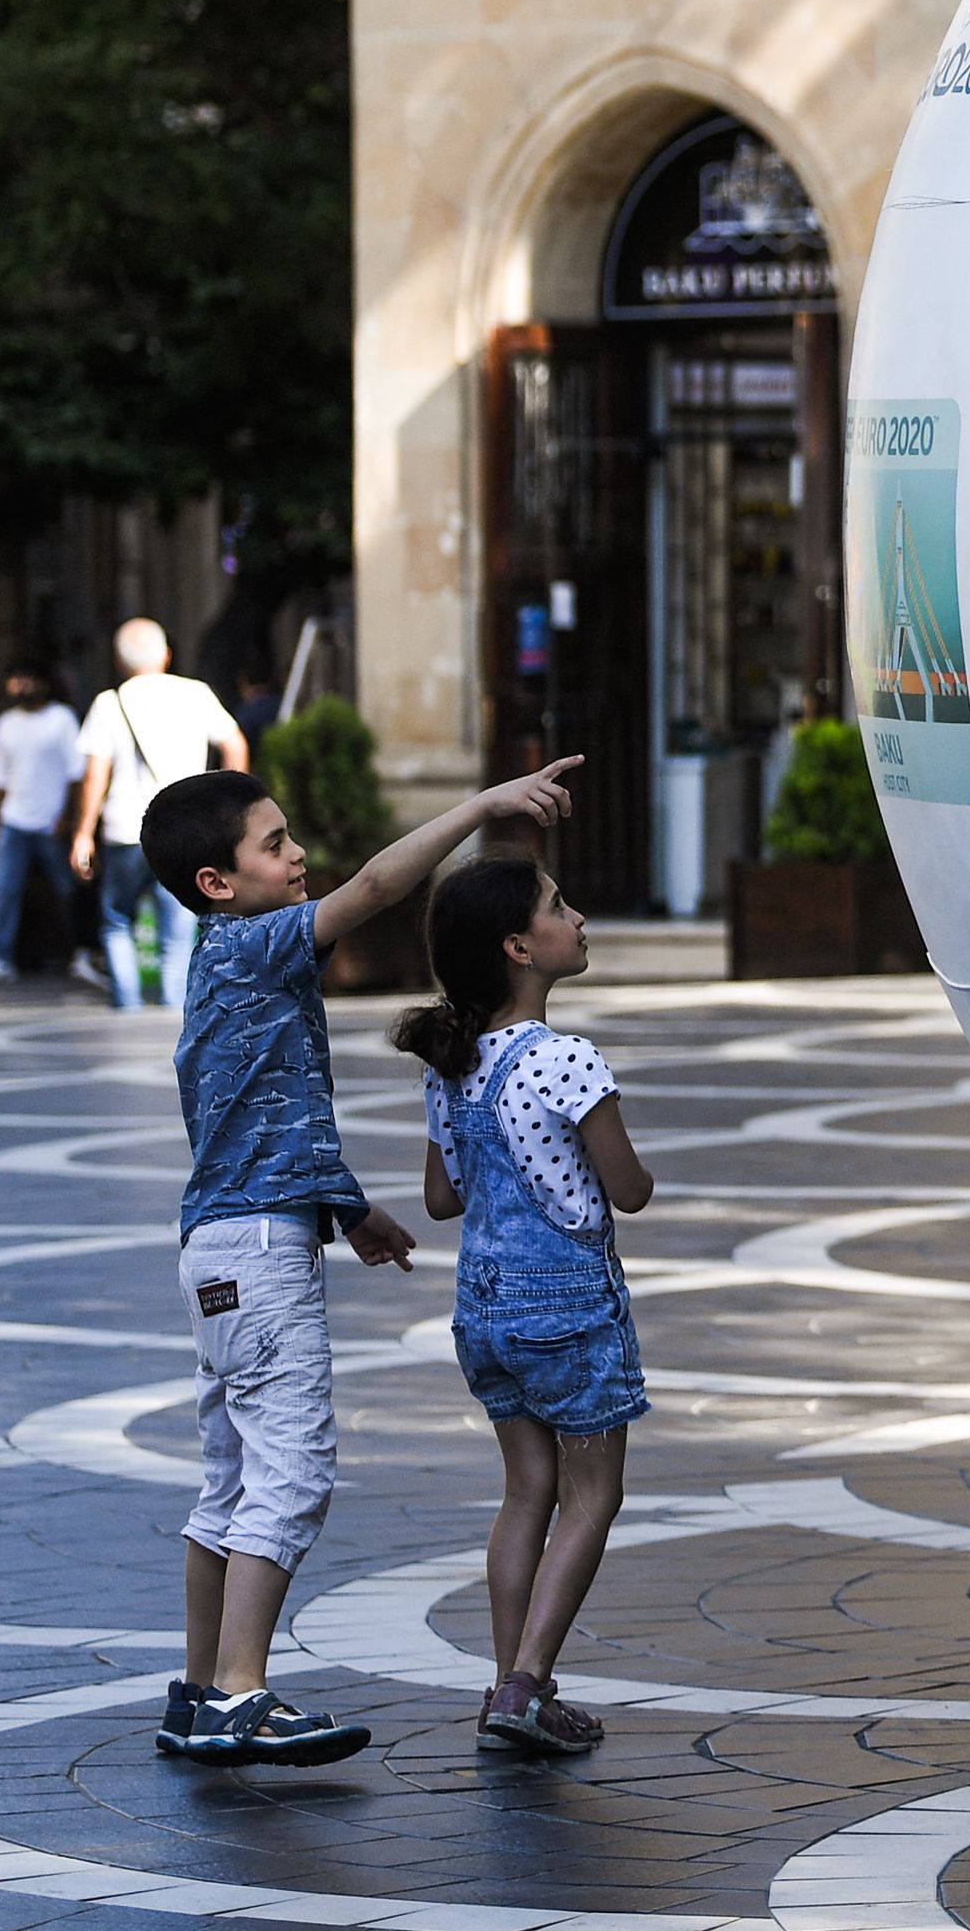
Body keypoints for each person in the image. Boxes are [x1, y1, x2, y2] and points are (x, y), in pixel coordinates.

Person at [153, 748, 582, 1769]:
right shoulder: (253, 945)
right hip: (259, 1253)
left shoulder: (223, 964)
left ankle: (201, 1686)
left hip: (220, 1243)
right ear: (219, 883)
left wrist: (348, 1211)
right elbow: (379, 888)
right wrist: (481, 807)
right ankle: (241, 1694)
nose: (298, 855)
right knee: (291, 1474)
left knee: (230, 1480)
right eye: (275, 843)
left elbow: (262, 1118)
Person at [398, 855, 654, 1755]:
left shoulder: (451, 1063)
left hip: (485, 1311)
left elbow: (442, 1197)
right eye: (557, 905)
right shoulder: (567, 1061)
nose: (576, 916)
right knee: (593, 1495)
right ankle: (526, 1684)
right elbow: (628, 1190)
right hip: (569, 1312)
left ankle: (510, 1688)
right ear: (519, 947)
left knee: (527, 1492)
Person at [72, 618, 250, 1013]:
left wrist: (83, 833)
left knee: (118, 920)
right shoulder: (196, 694)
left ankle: (128, 1005)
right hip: (185, 828)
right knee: (179, 927)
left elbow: (94, 775)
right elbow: (235, 743)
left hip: (125, 831)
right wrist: (229, 801)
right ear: (166, 654)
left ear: (120, 661)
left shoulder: (109, 702)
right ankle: (174, 1007)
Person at [0, 661, 83, 984]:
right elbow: (0, 780)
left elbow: (75, 774)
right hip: (14, 818)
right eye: (15, 679)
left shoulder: (62, 719)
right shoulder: (6, 723)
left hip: (52, 820)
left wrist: (69, 817)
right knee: (4, 890)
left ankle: (82, 951)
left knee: (68, 889)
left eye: (27, 678)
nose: (20, 686)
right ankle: (0, 956)